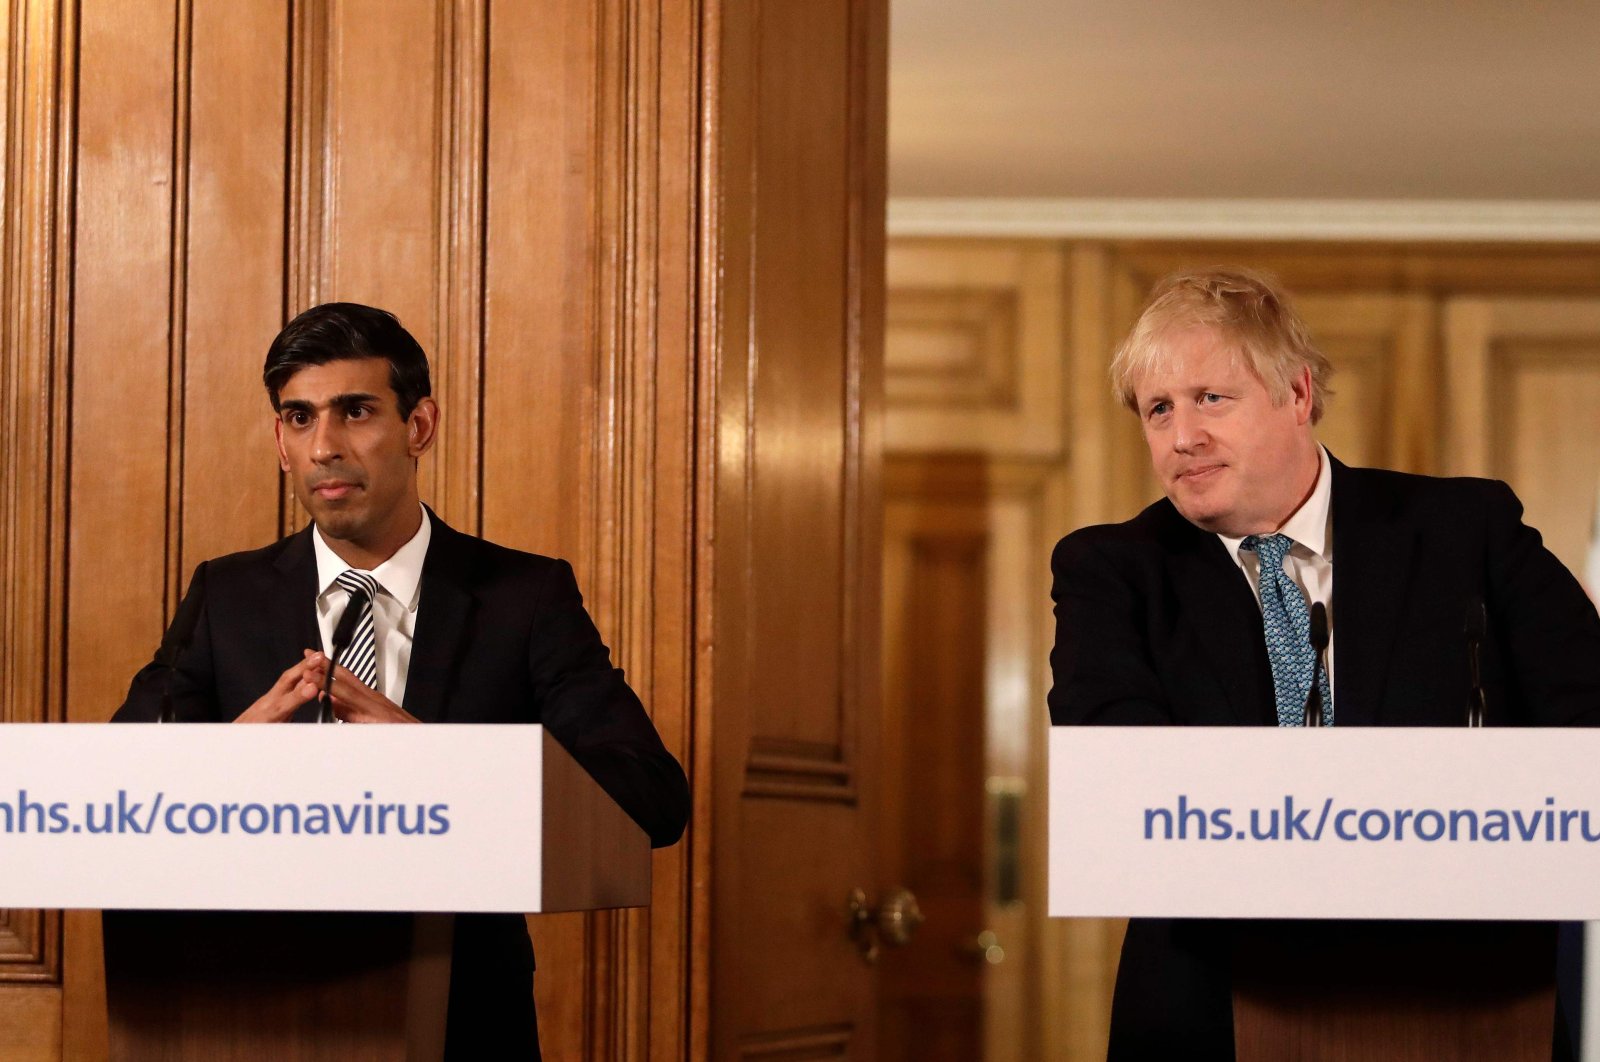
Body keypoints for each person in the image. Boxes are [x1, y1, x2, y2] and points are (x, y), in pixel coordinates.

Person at [1048, 268, 1600, 1059]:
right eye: (1157, 408)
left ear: (1298, 394)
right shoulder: (1111, 570)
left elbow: (1589, 730)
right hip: (1211, 1001)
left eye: (1211, 398)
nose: (1181, 437)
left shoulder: (1464, 532)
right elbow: (1119, 777)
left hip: (1467, 998)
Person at [115, 302, 690, 1059]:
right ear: (279, 442)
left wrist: (444, 765)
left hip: (461, 1015)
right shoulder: (224, 597)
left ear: (418, 427)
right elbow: (120, 786)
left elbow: (651, 795)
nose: (324, 446)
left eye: (355, 412)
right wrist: (233, 752)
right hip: (247, 1012)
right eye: (298, 418)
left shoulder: (525, 597)